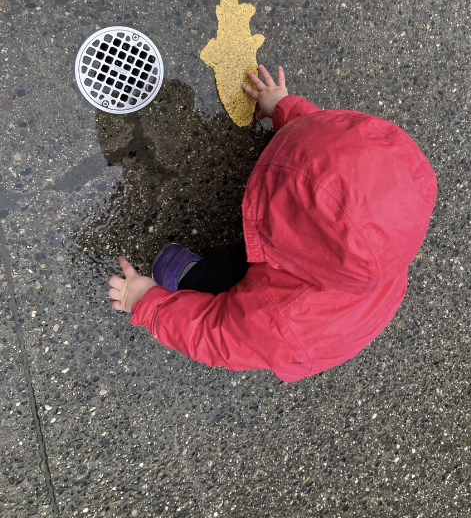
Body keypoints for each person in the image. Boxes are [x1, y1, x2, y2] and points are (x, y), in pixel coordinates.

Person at [107, 65, 437, 382]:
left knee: (232, 285)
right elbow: (332, 146)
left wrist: (146, 303)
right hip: (337, 288)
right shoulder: (388, 224)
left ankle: (193, 279)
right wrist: (285, 107)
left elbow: (216, 334)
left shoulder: (281, 323)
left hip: (293, 326)